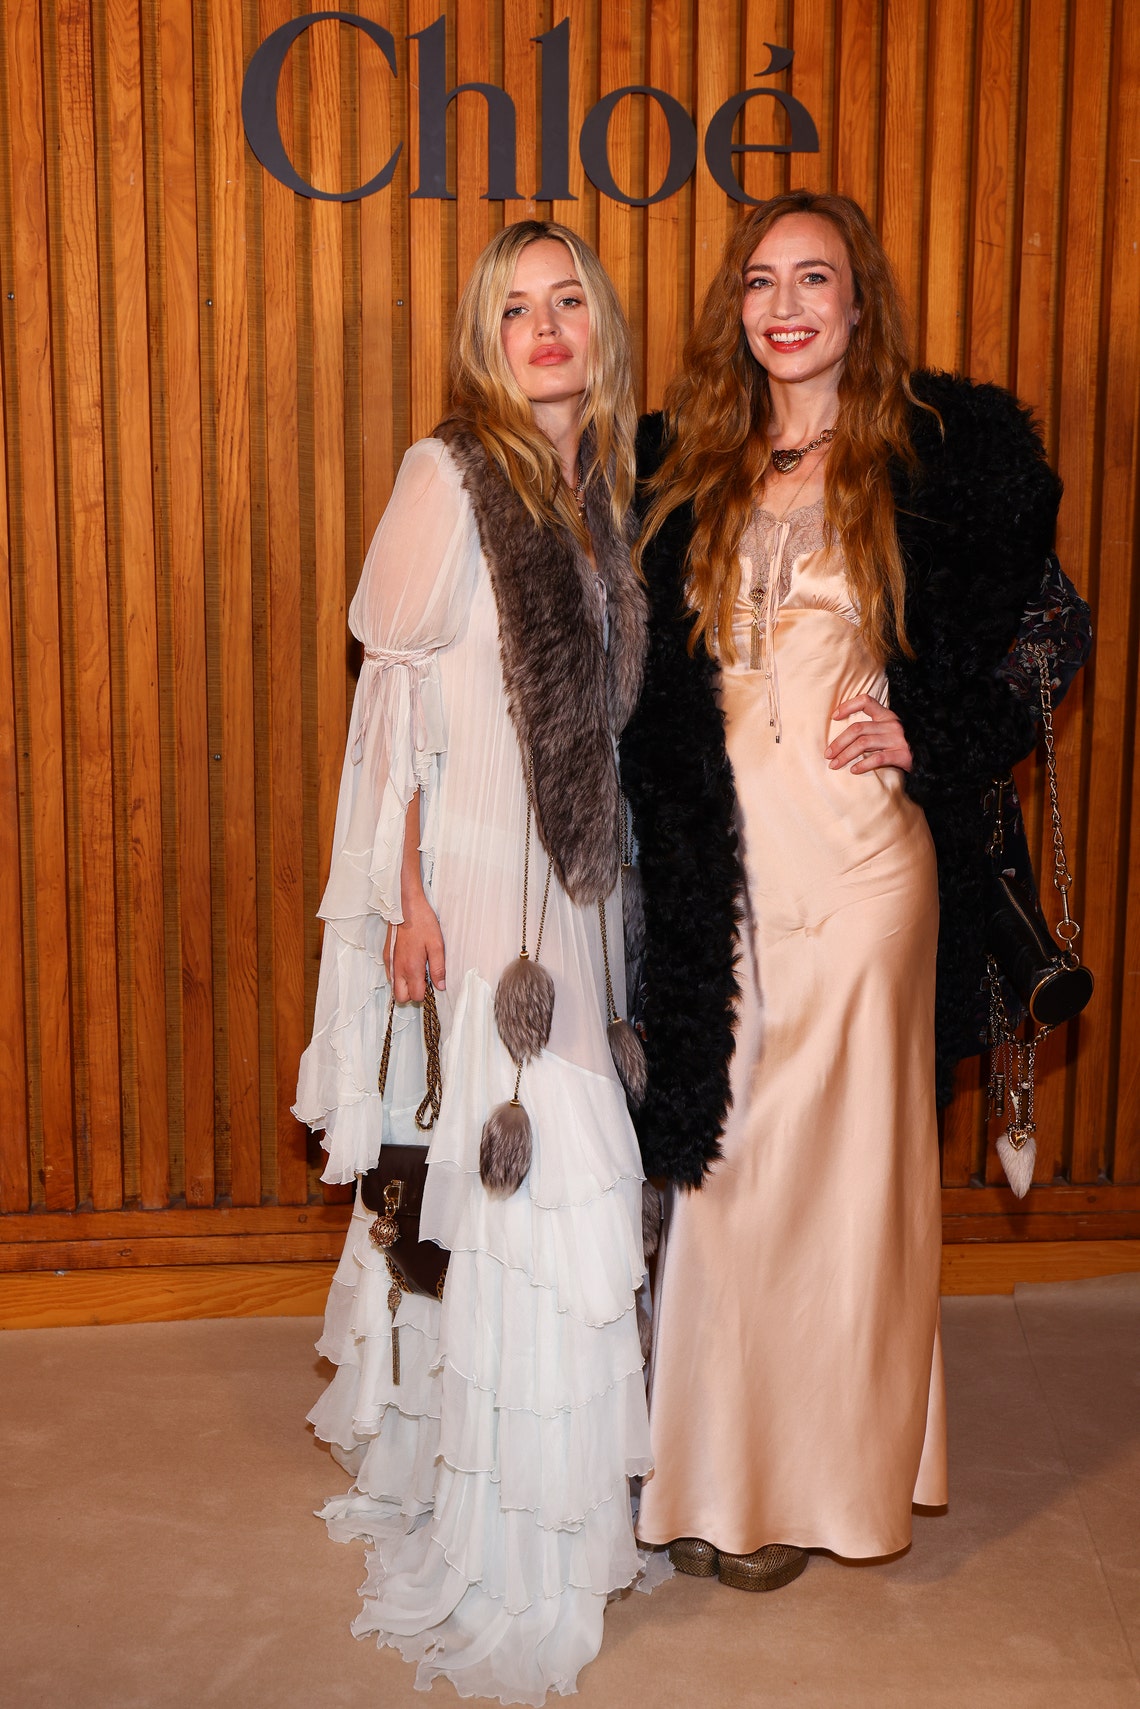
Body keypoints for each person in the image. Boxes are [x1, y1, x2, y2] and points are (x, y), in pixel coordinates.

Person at [621, 190, 1089, 1591]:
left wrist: (930, 731)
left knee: (838, 1183)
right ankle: (717, 1469)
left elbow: (1053, 627)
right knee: (727, 1166)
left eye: (813, 278)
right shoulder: (687, 465)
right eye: (761, 282)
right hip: (725, 871)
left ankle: (819, 1483)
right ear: (738, 311)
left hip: (865, 867)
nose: (787, 306)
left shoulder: (934, 460)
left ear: (857, 301)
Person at [294, 220, 665, 1705]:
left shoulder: (601, 492)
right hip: (473, 881)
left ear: (600, 327)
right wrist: (402, 899)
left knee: (554, 1169)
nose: (547, 324)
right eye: (517, 308)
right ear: (485, 338)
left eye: (569, 299)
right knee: (525, 1163)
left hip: (572, 888)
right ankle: (509, 1536)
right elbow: (389, 700)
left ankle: (546, 1501)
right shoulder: (449, 475)